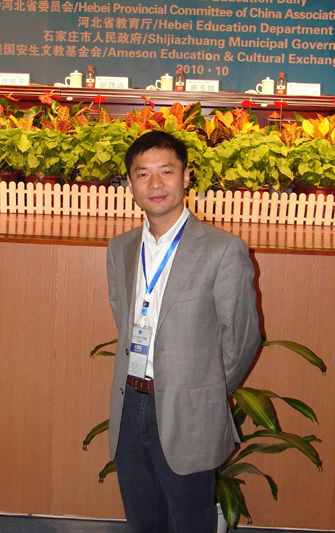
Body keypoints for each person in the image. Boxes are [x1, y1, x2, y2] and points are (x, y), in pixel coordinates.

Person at [106, 130, 261, 533]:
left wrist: (204, 389)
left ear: (186, 176)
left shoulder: (222, 249)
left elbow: (242, 337)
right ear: (130, 184)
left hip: (189, 411)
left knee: (189, 521)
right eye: (143, 174)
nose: (155, 184)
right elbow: (123, 319)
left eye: (166, 171)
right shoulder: (120, 248)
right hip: (130, 403)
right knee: (143, 518)